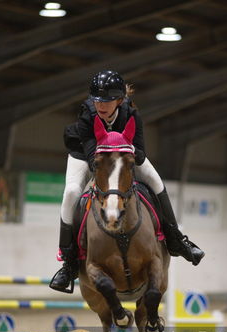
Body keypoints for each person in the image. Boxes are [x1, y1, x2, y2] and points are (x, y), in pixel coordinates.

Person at [50, 70, 204, 293]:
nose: (100, 105)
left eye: (107, 101)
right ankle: (68, 260)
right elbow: (92, 154)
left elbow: (140, 152)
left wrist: (123, 150)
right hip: (86, 155)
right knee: (72, 192)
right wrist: (107, 159)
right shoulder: (87, 113)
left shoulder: (131, 114)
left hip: (123, 154)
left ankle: (177, 240)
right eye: (97, 100)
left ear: (120, 101)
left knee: (155, 180)